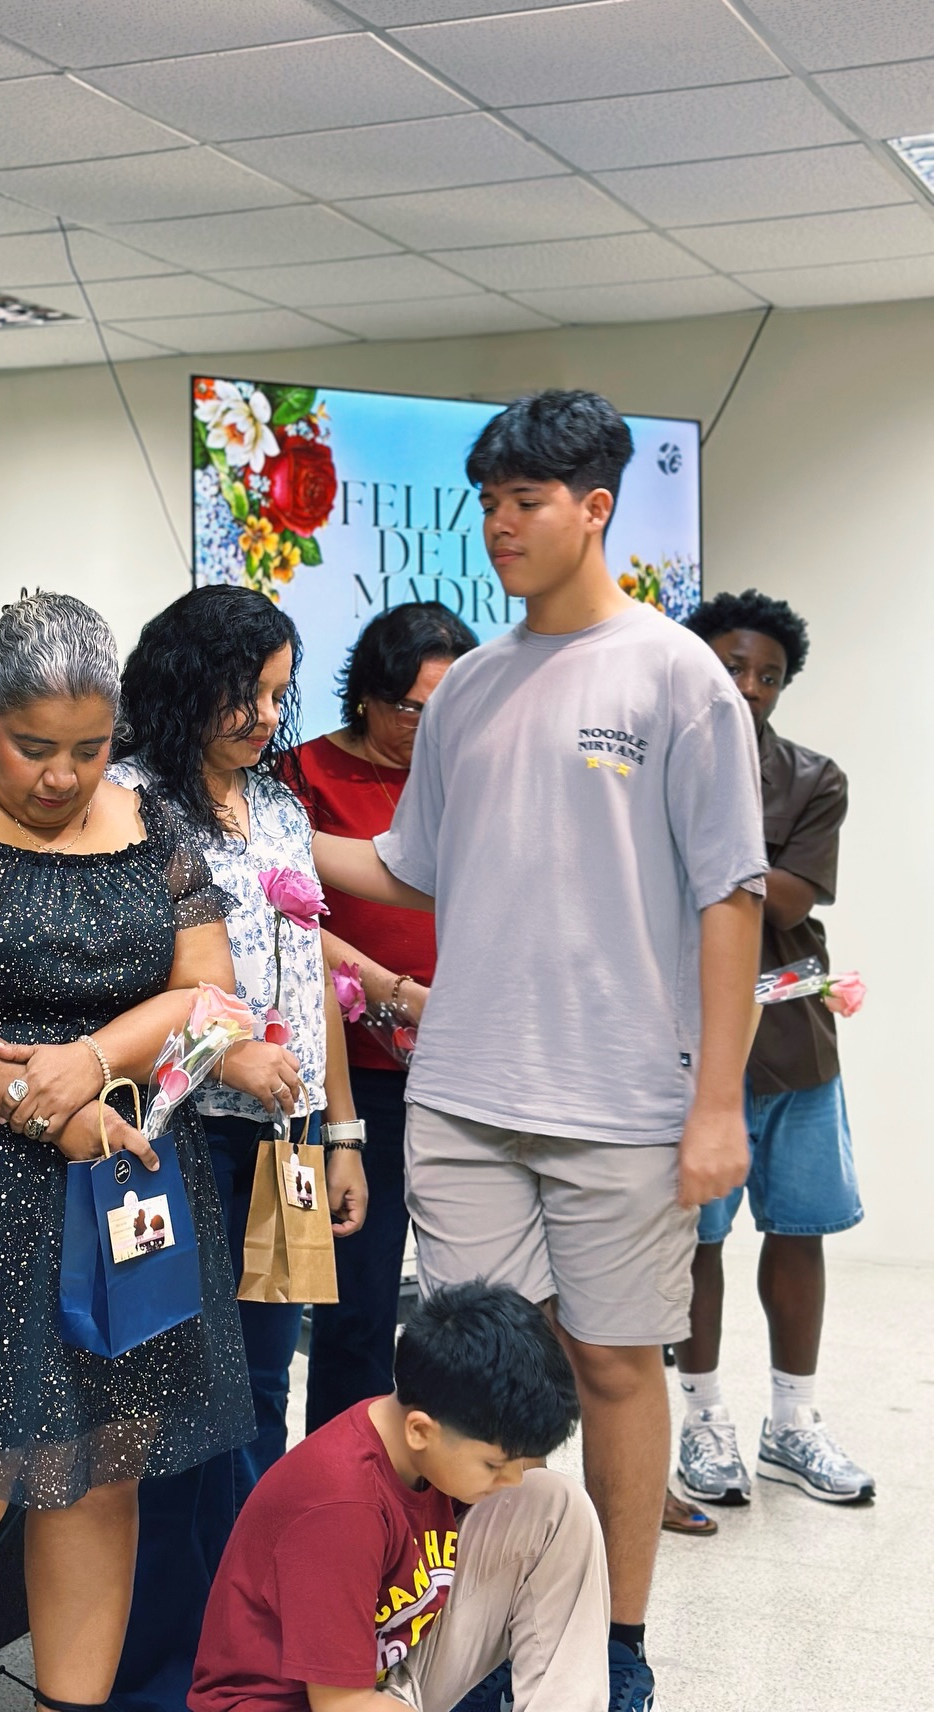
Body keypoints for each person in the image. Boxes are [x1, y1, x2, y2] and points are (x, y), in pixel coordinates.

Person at [310, 392, 767, 1712]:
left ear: (596, 510)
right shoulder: (470, 694)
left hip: (626, 1096)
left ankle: (614, 1641)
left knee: (616, 1364)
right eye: (489, 503)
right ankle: (499, 1636)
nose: (503, 525)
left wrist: (718, 1106)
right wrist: (251, 833)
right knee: (478, 1378)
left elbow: (729, 898)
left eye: (529, 501)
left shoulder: (677, 678)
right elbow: (407, 865)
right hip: (462, 1096)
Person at [0, 591, 266, 1712]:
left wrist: (94, 1056)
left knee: (96, 1481)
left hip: (121, 1205)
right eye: (35, 748)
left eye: (88, 750)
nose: (62, 777)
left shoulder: (149, 823)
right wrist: (55, 1104)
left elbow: (211, 997)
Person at [109, 585, 367, 1712]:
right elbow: (122, 984)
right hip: (180, 1142)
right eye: (243, 691)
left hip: (289, 1141)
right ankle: (160, 1671)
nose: (265, 716)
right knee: (179, 1409)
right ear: (181, 681)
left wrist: (340, 1127)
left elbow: (309, 973)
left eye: (276, 692)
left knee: (262, 1394)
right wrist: (224, 1060)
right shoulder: (128, 802)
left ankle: (246, 1661)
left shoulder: (275, 806)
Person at [675, 590, 873, 1505]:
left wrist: (711, 836)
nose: (749, 687)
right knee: (697, 1243)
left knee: (798, 1231)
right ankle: (703, 1421)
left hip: (794, 1045)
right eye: (731, 669)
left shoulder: (814, 777)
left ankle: (793, 1425)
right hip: (690, 1043)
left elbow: (783, 901)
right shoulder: (659, 771)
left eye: (768, 676)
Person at [190, 1282, 609, 1712]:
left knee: (553, 1504)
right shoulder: (340, 1509)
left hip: (386, 1663)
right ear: (421, 1431)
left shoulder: (421, 1441)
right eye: (494, 1464)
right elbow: (342, 1705)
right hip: (312, 1702)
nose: (512, 1479)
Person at [286, 602, 476, 1435]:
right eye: (409, 708)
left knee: (469, 1301)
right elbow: (287, 915)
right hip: (355, 1077)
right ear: (366, 695)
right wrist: (399, 995)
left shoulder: (475, 777)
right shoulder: (303, 777)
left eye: (446, 711)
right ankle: (348, 1483)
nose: (424, 729)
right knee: (357, 1301)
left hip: (470, 1068)